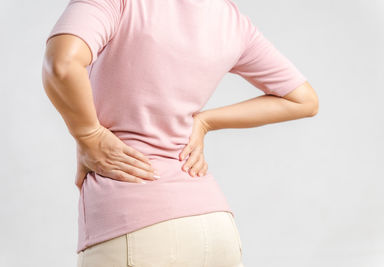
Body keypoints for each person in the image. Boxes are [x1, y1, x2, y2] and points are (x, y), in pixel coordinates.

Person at [42, 0, 318, 266]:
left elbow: (63, 65)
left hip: (134, 224)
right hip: (215, 226)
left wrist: (88, 134)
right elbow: (304, 100)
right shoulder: (232, 20)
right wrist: (205, 121)